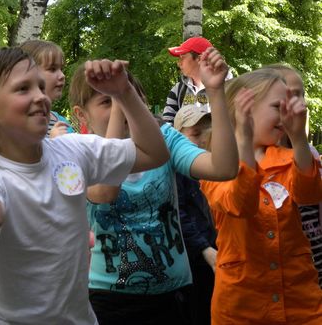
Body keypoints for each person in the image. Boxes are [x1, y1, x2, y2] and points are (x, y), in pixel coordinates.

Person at [0, 46, 170, 324]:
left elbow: (154, 153)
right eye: (23, 89)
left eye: (39, 85)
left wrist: (123, 92)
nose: (40, 96)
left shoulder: (73, 150)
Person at [69, 47, 238, 325]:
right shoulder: (78, 152)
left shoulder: (165, 140)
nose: (120, 109)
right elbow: (105, 191)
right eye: (106, 102)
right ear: (81, 114)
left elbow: (223, 168)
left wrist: (216, 92)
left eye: (127, 98)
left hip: (174, 295)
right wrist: (121, 96)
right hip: (108, 299)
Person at [200, 69, 322, 324]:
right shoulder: (215, 165)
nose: (286, 114)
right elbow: (240, 204)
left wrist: (299, 138)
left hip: (299, 302)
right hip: (242, 307)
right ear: (244, 107)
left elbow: (309, 194)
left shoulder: (289, 158)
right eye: (278, 106)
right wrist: (244, 141)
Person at [263, 63, 322, 287]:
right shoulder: (252, 159)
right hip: (276, 278)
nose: (301, 104)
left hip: (313, 270)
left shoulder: (310, 154)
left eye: (301, 95)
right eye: (291, 95)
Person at [174, 105, 217, 325]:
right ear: (177, 136)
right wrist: (204, 249)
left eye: (208, 131)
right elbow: (179, 214)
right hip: (194, 260)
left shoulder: (217, 168)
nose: (203, 139)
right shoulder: (177, 172)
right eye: (195, 133)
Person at [162, 36, 233, 125]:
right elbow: (167, 126)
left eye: (182, 58)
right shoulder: (178, 90)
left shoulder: (229, 87)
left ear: (199, 59)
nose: (179, 63)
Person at [20, 39, 74, 136]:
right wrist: (54, 143)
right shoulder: (18, 121)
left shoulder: (63, 122)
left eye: (61, 69)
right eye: (52, 69)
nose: (62, 75)